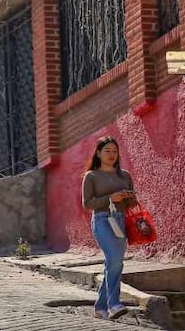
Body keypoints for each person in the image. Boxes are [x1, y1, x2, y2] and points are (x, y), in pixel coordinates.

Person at [81, 135, 136, 320]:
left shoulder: (125, 175)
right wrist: (111, 198)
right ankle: (114, 304)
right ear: (98, 153)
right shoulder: (91, 176)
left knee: (114, 263)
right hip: (103, 220)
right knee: (114, 260)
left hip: (121, 220)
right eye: (107, 151)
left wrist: (128, 197)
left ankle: (100, 307)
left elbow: (132, 203)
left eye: (115, 151)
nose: (112, 154)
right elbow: (87, 203)